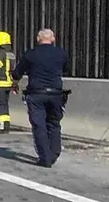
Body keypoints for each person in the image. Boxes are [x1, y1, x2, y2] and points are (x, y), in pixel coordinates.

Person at [11, 28, 71, 168]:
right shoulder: (61, 53)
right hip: (56, 94)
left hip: (36, 94)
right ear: (53, 39)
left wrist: (15, 83)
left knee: (39, 125)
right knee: (54, 123)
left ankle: (45, 158)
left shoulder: (31, 54)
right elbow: (66, 68)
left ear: (38, 39)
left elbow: (17, 73)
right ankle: (54, 152)